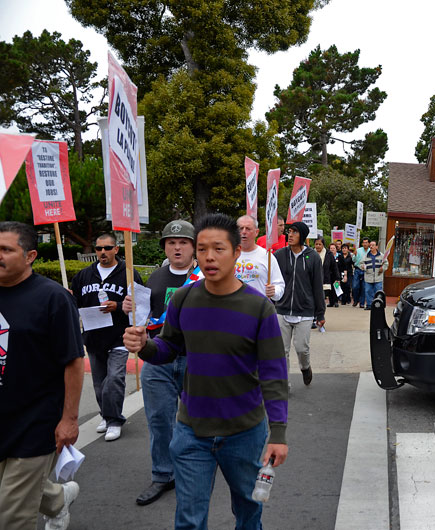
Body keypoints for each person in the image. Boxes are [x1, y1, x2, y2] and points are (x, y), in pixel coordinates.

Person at [123, 213, 288, 530]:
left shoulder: (259, 308)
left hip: (244, 432)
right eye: (202, 249)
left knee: (248, 511)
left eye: (218, 248)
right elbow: (169, 347)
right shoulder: (184, 298)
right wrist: (144, 345)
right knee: (189, 518)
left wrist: (278, 432)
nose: (209, 257)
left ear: (236, 252)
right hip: (191, 432)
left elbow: (274, 374)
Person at [0, 221, 83, 530]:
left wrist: (69, 419)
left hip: (34, 423)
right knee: (12, 493)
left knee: (10, 517)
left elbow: (73, 361)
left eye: (6, 250)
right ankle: (58, 499)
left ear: (30, 256)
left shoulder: (53, 298)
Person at [122, 220, 202, 506]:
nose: (177, 248)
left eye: (183, 243)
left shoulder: (206, 278)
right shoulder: (154, 278)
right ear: (165, 247)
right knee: (158, 420)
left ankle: (201, 466)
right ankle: (163, 474)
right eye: (171, 243)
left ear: (194, 247)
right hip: (158, 359)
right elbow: (145, 319)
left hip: (196, 359)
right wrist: (129, 309)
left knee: (199, 419)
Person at [71, 233, 143, 442]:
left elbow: (140, 304)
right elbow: (75, 302)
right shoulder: (84, 276)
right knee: (99, 384)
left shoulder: (129, 274)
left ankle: (114, 421)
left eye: (107, 248)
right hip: (94, 338)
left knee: (114, 379)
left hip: (119, 336)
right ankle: (106, 414)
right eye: (99, 248)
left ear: (116, 249)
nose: (103, 252)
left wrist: (118, 306)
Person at [273, 222, 326, 386]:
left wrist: (320, 313)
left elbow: (317, 286)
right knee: (281, 351)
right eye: (289, 232)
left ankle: (305, 367)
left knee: (302, 349)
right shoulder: (279, 255)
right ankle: (284, 384)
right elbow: (273, 279)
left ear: (302, 236)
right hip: (281, 309)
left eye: (294, 232)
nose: (290, 235)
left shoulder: (313, 257)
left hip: (305, 311)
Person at [236, 215, 285, 302]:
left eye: (248, 229)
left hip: (259, 308)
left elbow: (279, 286)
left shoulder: (267, 256)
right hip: (233, 308)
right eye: (241, 228)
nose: (244, 232)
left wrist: (274, 291)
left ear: (256, 232)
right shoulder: (228, 255)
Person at [359, 240, 389, 310]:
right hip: (368, 277)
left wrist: (383, 268)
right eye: (370, 245)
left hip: (378, 277)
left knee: (378, 292)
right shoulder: (366, 256)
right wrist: (362, 266)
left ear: (376, 247)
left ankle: (378, 305)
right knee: (368, 291)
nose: (371, 247)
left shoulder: (381, 255)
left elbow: (386, 263)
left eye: (373, 245)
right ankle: (369, 305)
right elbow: (361, 263)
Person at [314, 237, 339, 308]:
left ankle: (320, 310)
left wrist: (337, 278)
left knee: (321, 298)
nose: (318, 246)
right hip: (313, 279)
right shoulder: (311, 253)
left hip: (325, 279)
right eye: (316, 244)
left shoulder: (329, 254)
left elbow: (334, 267)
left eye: (320, 244)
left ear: (323, 245)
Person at [351, 237, 369, 308]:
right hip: (358, 269)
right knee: (355, 286)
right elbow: (353, 260)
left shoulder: (370, 251)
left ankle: (362, 303)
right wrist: (355, 255)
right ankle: (356, 300)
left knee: (364, 287)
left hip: (366, 270)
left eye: (366, 242)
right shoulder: (358, 250)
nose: (365, 244)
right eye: (364, 242)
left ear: (368, 243)